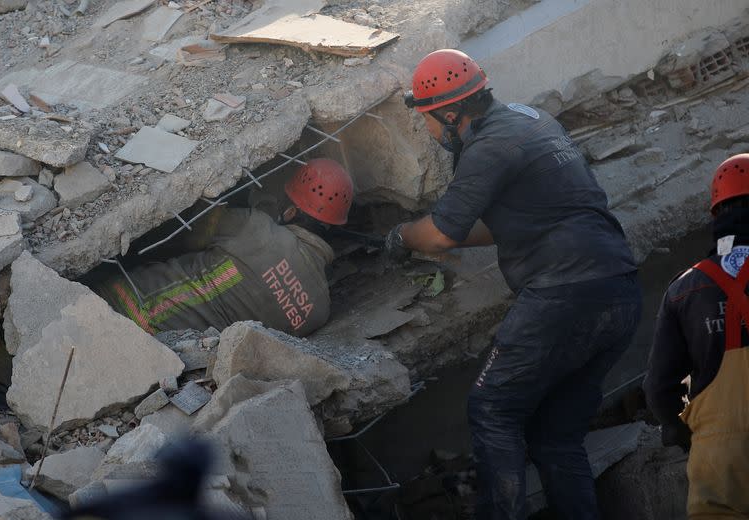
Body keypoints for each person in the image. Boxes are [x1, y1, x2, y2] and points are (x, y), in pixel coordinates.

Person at [386, 48, 641, 519]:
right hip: (618, 289)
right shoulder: (530, 119)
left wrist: (402, 236)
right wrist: (445, 236)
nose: (426, 129)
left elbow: (441, 233)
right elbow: (507, 223)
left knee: (492, 409)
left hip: (562, 295)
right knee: (555, 436)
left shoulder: (486, 148)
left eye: (424, 118)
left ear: (448, 111)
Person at [95, 158, 353, 337]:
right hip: (168, 359)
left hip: (121, 306)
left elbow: (185, 231)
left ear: (290, 212)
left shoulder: (255, 227)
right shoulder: (319, 311)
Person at [644, 153, 749, 518]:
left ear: (715, 215)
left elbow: (658, 389)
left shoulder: (683, 289)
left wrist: (691, 436)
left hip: (720, 458)